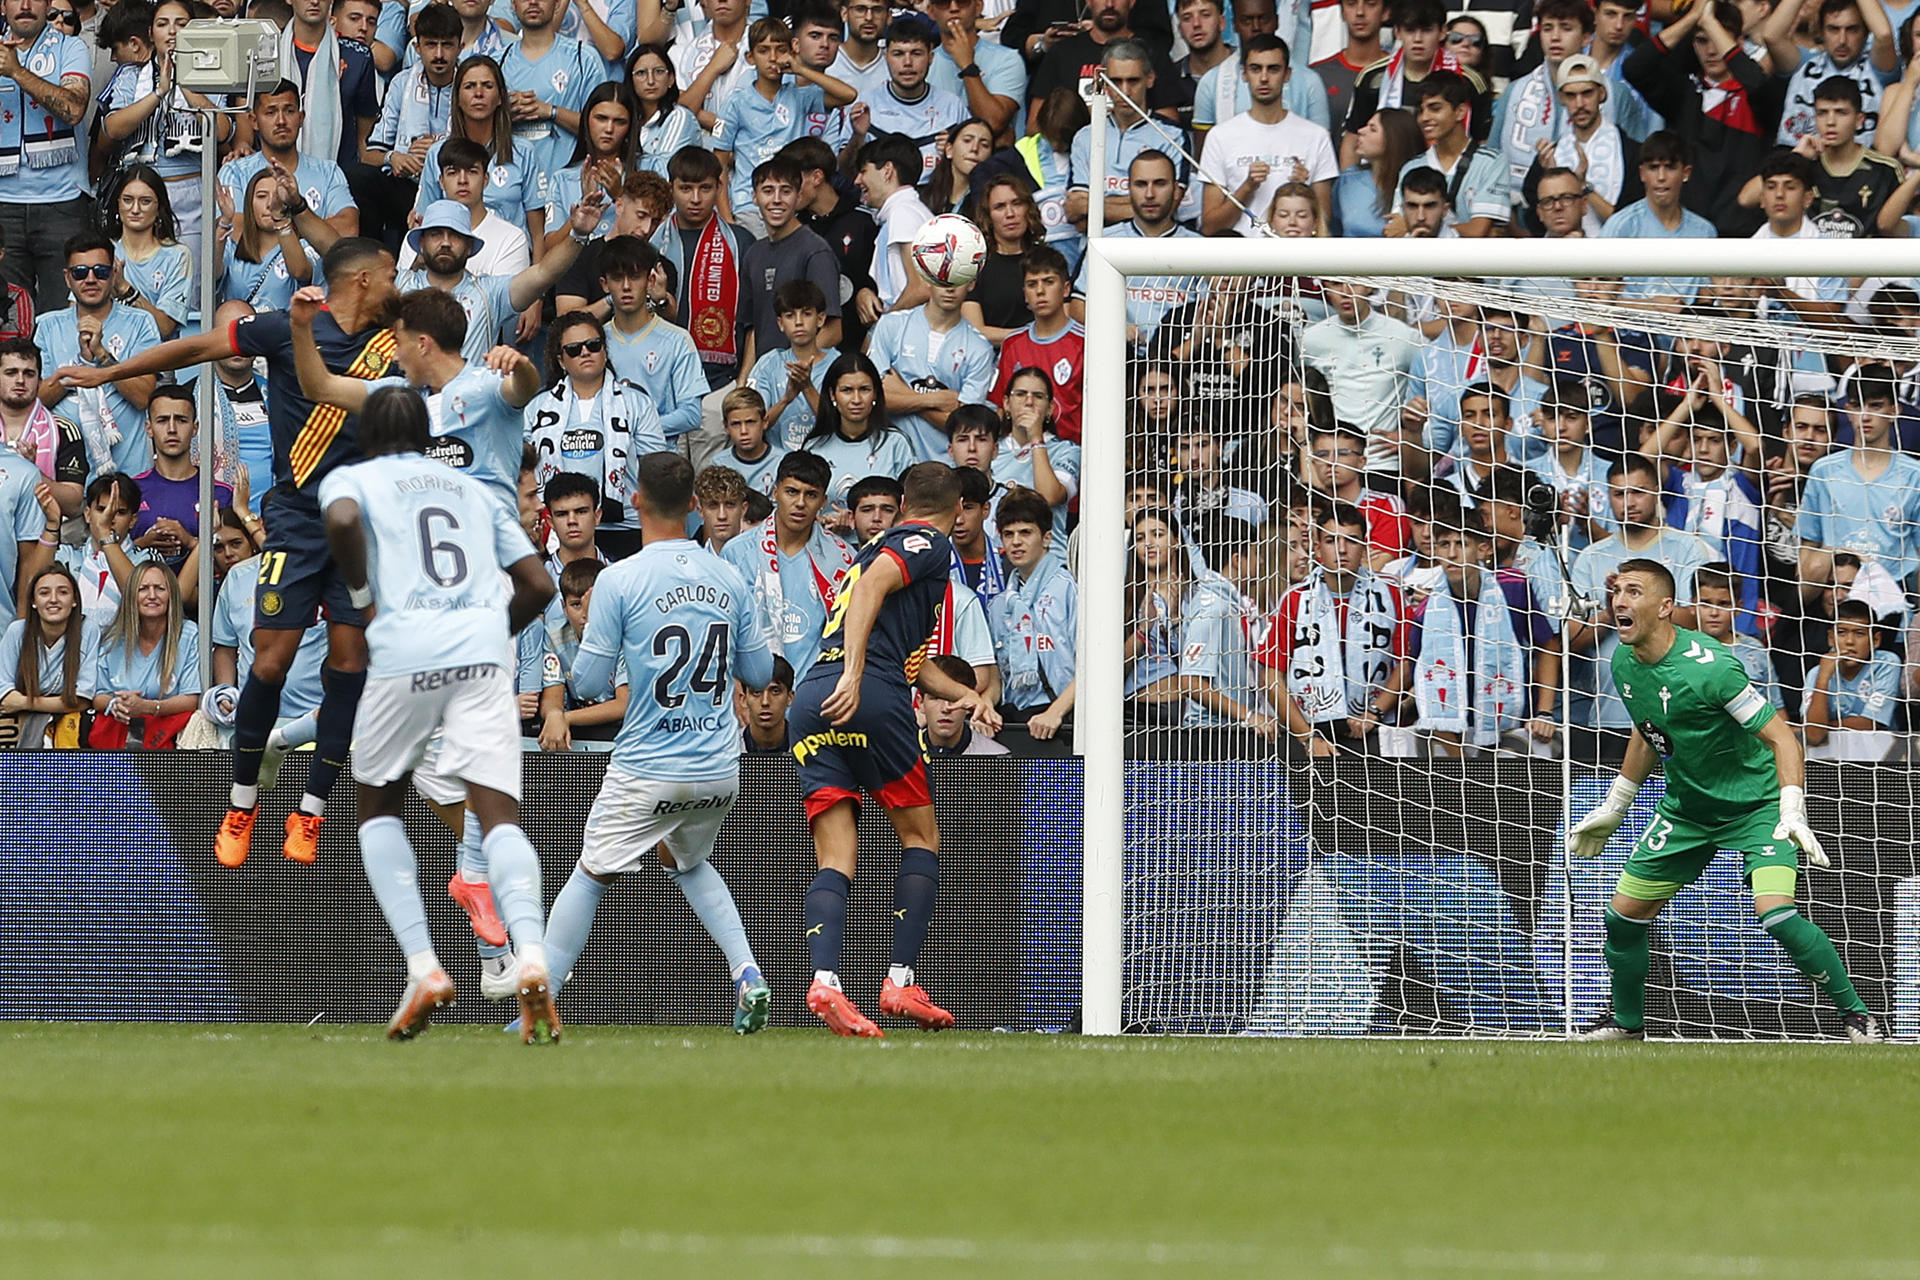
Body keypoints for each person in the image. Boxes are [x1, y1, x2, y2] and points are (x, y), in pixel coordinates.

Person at [58, 237, 401, 867]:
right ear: (360, 282)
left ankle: (313, 810)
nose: (396, 283)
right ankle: (243, 802)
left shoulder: (398, 342)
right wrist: (110, 373)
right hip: (297, 519)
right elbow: (193, 347)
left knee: (350, 666)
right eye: (389, 274)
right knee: (269, 664)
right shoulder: (285, 328)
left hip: (364, 522)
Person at [318, 384, 557, 1042]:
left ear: (366, 434)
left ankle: (423, 964)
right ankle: (532, 956)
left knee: (376, 807)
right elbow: (539, 584)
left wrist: (364, 594)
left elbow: (339, 524)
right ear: (428, 435)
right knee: (498, 815)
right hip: (483, 654)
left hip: (402, 649)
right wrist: (484, 631)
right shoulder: (477, 490)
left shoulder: (353, 476)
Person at [1568, 559, 1884, 1044]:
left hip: (1756, 807)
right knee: (1622, 916)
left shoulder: (1714, 668)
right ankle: (1627, 1023)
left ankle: (1858, 1015)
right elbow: (1648, 730)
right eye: (1618, 592)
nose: (1620, 601)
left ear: (1666, 607)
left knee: (1776, 914)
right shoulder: (1623, 662)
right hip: (1688, 810)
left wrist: (1791, 808)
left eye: (1634, 592)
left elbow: (1784, 739)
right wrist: (1617, 803)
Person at [539, 450, 778, 1034]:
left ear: (636, 501)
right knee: (688, 862)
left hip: (650, 764)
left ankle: (539, 997)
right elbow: (758, 669)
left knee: (592, 871)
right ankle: (748, 974)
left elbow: (592, 683)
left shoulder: (620, 578)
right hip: (719, 764)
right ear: (695, 504)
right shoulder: (728, 574)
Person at [790, 460, 1002, 1037]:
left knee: (836, 855)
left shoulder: (874, 549)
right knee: (921, 836)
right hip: (865, 695)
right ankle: (900, 979)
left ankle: (826, 981)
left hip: (811, 702)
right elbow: (876, 593)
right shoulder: (924, 540)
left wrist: (966, 695)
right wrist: (856, 676)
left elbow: (915, 664)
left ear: (903, 499)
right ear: (958, 511)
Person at [1257, 501, 1407, 756]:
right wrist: (1307, 737)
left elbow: (1408, 659)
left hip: (1377, 729)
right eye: (1331, 541)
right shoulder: (1295, 599)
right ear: (1316, 547)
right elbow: (1271, 677)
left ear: (1365, 546)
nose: (1341, 550)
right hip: (1313, 733)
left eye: (1352, 540)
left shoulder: (1390, 592)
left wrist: (1376, 710)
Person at [523, 310, 666, 561]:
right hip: (557, 531)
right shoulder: (537, 408)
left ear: (604, 351)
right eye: (574, 349)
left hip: (624, 529)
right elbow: (525, 474)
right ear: (561, 360)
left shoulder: (638, 403)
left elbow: (656, 472)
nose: (585, 353)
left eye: (593, 345)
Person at [396, 196, 599, 365]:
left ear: (469, 246)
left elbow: (543, 273)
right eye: (436, 234)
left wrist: (578, 235)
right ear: (421, 244)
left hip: (471, 408)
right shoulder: (398, 285)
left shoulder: (489, 292)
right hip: (409, 407)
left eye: (455, 236)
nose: (446, 243)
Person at [718, 448, 853, 682]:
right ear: (775, 491)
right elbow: (725, 631)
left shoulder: (843, 558)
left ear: (823, 501)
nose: (800, 503)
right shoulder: (737, 553)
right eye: (792, 492)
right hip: (754, 698)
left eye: (811, 495)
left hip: (815, 699)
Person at [712, 17, 855, 235]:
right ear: (750, 57)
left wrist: (801, 69)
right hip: (750, 206)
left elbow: (848, 95)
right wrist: (726, 218)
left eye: (780, 50)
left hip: (793, 205)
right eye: (763, 50)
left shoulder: (800, 96)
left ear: (791, 52)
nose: (772, 58)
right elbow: (718, 164)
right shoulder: (736, 103)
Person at [37, 231, 163, 477]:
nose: (91, 279)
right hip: (64, 478)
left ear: (114, 274)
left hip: (128, 476)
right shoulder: (47, 326)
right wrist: (82, 362)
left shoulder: (141, 323)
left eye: (101, 271)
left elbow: (143, 396)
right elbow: (37, 401)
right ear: (67, 278)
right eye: (80, 272)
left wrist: (103, 357)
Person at [0, 0, 95, 310]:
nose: (25, 5)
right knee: (8, 317)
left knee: (60, 315)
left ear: (47, 4)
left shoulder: (71, 47)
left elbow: (74, 109)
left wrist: (16, 71)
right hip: (3, 205)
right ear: (2, 6)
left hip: (62, 204)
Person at [1198, 34, 1337, 236]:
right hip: (1240, 260)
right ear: (1244, 74)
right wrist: (1248, 187)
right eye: (1256, 69)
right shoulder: (1220, 136)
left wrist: (1303, 188)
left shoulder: (1316, 136)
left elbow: (1324, 221)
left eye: (1273, 69)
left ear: (1287, 74)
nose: (1264, 78)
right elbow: (1210, 226)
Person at [217, 80, 361, 253]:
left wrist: (270, 228)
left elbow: (348, 231)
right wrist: (318, 231)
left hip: (317, 280)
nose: (281, 121)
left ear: (301, 118)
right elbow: (238, 234)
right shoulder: (235, 172)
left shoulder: (328, 171)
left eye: (289, 111)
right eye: (270, 113)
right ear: (254, 121)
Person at [598, 235, 710, 452]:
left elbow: (691, 414)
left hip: (659, 464)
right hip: (608, 460)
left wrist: (638, 427)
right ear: (605, 284)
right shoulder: (595, 343)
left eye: (635, 276)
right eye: (617, 278)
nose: (627, 286)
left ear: (650, 280)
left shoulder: (677, 340)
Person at [868, 275, 997, 462]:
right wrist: (936, 399)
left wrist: (903, 394)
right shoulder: (891, 325)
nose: (949, 288)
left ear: (971, 283)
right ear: (927, 279)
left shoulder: (980, 348)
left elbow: (964, 425)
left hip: (945, 468)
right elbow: (873, 399)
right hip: (889, 459)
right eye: (942, 278)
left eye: (958, 280)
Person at [735, 157, 845, 370]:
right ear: (754, 197)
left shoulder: (815, 250)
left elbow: (833, 330)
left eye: (785, 191)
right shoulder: (754, 253)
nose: (776, 199)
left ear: (798, 197)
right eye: (767, 191)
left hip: (802, 380)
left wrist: (791, 372)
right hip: (765, 381)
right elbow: (754, 330)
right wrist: (746, 383)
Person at [988, 484, 1074, 736]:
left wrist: (1056, 712)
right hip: (1014, 717)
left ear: (1046, 537)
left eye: (1026, 532)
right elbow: (996, 672)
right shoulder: (1000, 604)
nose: (1016, 542)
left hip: (1060, 716)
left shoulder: (1069, 590)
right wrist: (986, 704)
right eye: (1008, 533)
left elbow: (1091, 665)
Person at [847, 13, 970, 183]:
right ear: (886, 57)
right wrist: (858, 137)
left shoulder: (952, 106)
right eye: (898, 54)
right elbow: (845, 171)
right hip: (877, 205)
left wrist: (953, 155)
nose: (907, 63)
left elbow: (972, 171)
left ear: (930, 57)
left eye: (916, 53)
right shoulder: (866, 103)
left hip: (936, 201)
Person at [89, 558, 198, 746]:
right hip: (118, 738)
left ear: (171, 594)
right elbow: (98, 695)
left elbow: (191, 699)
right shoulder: (112, 639)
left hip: (170, 740)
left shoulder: (188, 634)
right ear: (132, 595)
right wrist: (115, 705)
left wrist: (148, 707)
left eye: (160, 588)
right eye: (143, 589)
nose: (152, 595)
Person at [801, 351, 919, 519]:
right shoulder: (814, 447)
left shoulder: (896, 443)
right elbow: (803, 507)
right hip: (824, 542)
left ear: (876, 393)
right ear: (833, 394)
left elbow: (911, 507)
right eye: (847, 390)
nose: (856, 399)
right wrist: (825, 523)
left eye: (864, 389)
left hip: (884, 543)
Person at [129, 387, 234, 575]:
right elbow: (108, 554)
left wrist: (188, 541)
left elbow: (232, 562)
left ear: (195, 428)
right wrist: (142, 545)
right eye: (162, 420)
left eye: (181, 420)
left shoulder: (220, 493)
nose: (171, 429)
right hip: (142, 599)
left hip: (203, 601)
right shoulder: (131, 490)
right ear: (149, 428)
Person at [0, 563, 97, 747]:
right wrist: (21, 704)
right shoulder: (17, 631)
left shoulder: (88, 630)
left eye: (62, 592)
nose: (53, 599)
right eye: (44, 593)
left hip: (68, 720)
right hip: (18, 720)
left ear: (75, 600)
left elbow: (82, 700)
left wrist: (25, 703)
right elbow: (4, 694)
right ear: (34, 602)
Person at [992, 247, 1083, 443]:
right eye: (1032, 284)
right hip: (1020, 456)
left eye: (1049, 282)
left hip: (1074, 456)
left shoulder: (1086, 343)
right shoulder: (1012, 344)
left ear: (1066, 289)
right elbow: (999, 406)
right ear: (1025, 294)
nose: (1040, 291)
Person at [744, 278, 838, 450]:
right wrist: (786, 400)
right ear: (780, 323)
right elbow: (751, 424)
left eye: (807, 314)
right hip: (777, 463)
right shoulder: (768, 364)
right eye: (789, 315)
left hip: (828, 460)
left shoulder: (839, 364)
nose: (799, 322)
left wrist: (807, 387)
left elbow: (842, 426)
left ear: (821, 319)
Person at [104, 166, 191, 341]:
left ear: (159, 207)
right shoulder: (102, 251)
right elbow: (77, 316)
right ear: (118, 203)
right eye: (128, 200)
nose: (135, 209)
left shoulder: (178, 256)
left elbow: (164, 328)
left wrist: (124, 289)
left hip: (154, 360)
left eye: (145, 201)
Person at [220, 168, 317, 315]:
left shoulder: (305, 247)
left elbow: (300, 272)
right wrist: (225, 221)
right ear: (249, 204)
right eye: (261, 196)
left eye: (278, 196)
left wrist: (281, 219)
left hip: (283, 335)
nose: (270, 204)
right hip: (237, 334)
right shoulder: (233, 247)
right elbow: (211, 275)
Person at [921, 652, 1008, 755]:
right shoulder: (901, 753)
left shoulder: (996, 756)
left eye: (955, 699)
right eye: (935, 698)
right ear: (920, 702)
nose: (945, 708)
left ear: (970, 705)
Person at [712, 385, 785, 497]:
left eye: (750, 422)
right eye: (736, 424)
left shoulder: (782, 461)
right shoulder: (719, 463)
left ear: (764, 422)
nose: (743, 431)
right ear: (726, 427)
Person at [738, 652, 794, 753]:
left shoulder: (810, 747)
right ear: (743, 699)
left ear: (790, 697)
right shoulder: (725, 750)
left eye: (775, 691)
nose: (765, 702)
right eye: (756, 692)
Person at [693, 462, 751, 551]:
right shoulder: (693, 562)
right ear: (701, 511)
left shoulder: (761, 557)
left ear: (743, 509)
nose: (722, 515)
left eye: (730, 505)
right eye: (713, 506)